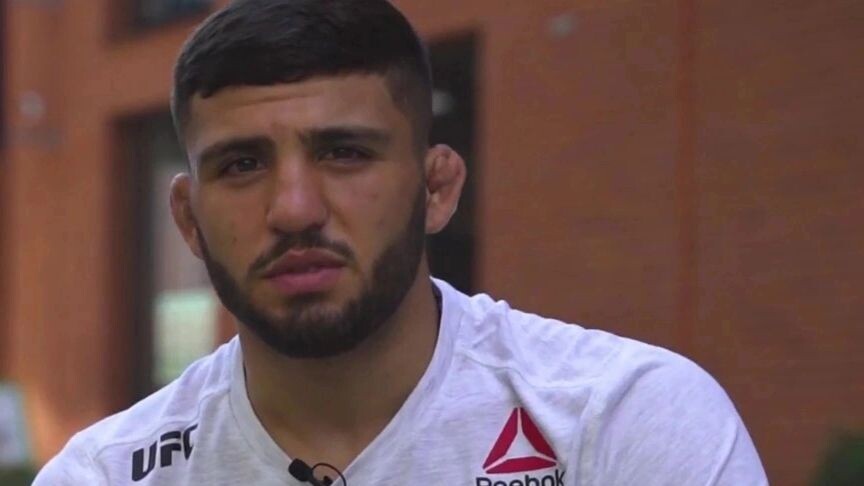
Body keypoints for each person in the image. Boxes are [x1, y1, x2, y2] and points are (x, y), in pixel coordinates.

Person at [33, 0, 769, 484]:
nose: (294, 209)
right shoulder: (104, 474)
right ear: (189, 220)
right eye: (243, 165)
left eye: (344, 153)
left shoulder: (622, 423)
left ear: (437, 188)